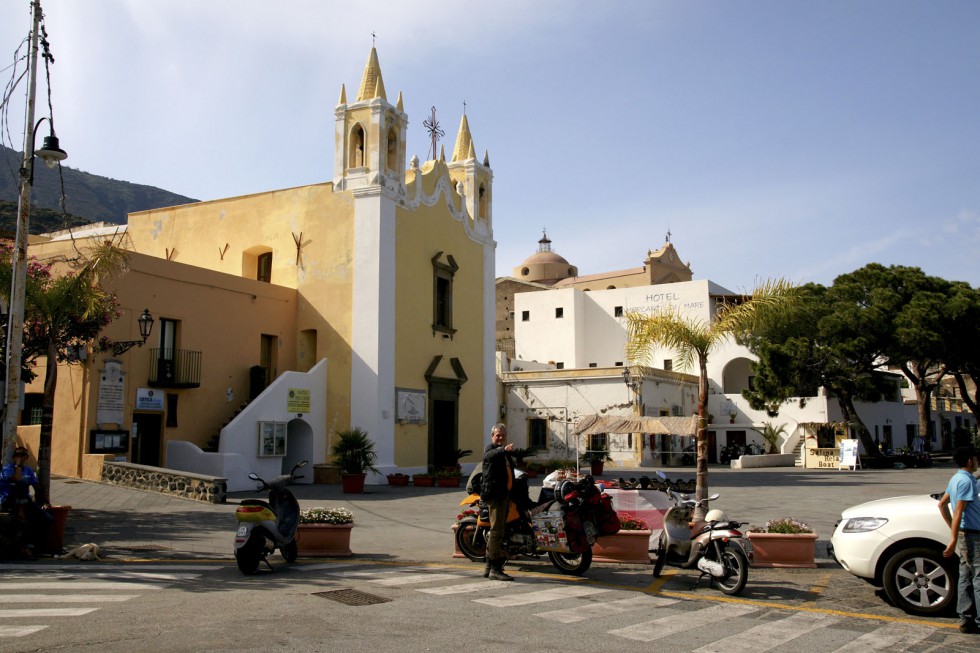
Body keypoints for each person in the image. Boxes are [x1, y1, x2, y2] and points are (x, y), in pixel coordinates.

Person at [939, 445, 980, 634]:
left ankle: (965, 618)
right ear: (970, 461)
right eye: (975, 458)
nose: (977, 461)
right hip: (972, 535)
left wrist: (956, 532)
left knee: (966, 575)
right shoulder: (966, 482)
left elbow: (942, 504)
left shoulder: (957, 478)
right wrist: (954, 537)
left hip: (966, 533)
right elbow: (957, 511)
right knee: (978, 578)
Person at [0, 446, 51, 558]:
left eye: (23, 455)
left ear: (26, 457)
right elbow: (16, 479)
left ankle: (33, 545)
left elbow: (36, 486)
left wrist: (45, 502)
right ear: (14, 457)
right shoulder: (7, 469)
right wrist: (17, 465)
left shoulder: (28, 470)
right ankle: (20, 512)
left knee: (46, 518)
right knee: (21, 483)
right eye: (18, 455)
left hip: (24, 500)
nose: (20, 457)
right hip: (8, 500)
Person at [481, 423, 515, 581]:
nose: (500, 438)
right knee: (496, 532)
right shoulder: (491, 450)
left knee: (498, 531)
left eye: (502, 435)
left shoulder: (504, 453)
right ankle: (495, 568)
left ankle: (488, 566)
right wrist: (503, 449)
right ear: (492, 436)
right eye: (497, 435)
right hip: (495, 496)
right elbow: (489, 456)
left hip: (503, 495)